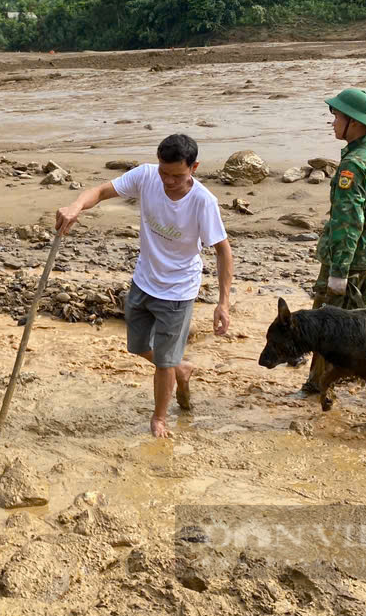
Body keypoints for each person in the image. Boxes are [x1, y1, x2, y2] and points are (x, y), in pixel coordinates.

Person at [57, 134, 234, 438]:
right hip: (144, 280)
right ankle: (180, 368)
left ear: (194, 167)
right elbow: (99, 191)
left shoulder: (203, 201)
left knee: (163, 361)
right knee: (138, 346)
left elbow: (223, 251)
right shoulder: (146, 176)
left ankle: (160, 418)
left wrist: (223, 303)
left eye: (177, 175)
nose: (168, 181)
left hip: (179, 291)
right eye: (164, 172)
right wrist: (75, 207)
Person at [299, 87, 366, 395]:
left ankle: (317, 386)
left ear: (353, 122)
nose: (332, 123)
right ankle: (351, 375)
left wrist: (338, 272)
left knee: (326, 324)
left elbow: (348, 223)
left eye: (337, 116)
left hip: (353, 255)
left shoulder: (353, 165)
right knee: (357, 321)